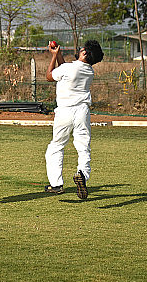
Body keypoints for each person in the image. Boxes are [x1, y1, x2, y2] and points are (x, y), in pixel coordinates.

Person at [44, 40, 104, 199]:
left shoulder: (68, 68)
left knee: (56, 146)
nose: (80, 49)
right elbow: (66, 70)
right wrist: (59, 55)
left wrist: (53, 56)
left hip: (64, 112)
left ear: (84, 53)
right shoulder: (89, 71)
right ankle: (82, 174)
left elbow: (50, 76)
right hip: (82, 112)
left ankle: (56, 184)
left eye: (82, 49)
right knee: (83, 146)